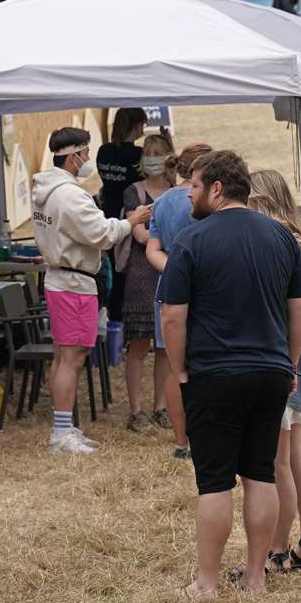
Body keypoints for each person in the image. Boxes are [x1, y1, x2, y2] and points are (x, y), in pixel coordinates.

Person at [159, 151, 301, 599]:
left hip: (214, 374)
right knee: (260, 474)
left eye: (195, 185)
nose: (189, 191)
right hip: (270, 373)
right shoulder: (283, 238)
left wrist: (180, 369)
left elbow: (172, 316)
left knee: (215, 481)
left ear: (217, 189)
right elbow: (299, 308)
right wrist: (290, 362)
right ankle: (255, 577)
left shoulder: (191, 240)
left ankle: (206, 583)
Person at [33, 127, 152, 454]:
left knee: (63, 355)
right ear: (73, 157)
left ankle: (65, 426)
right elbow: (101, 234)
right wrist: (132, 220)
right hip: (74, 282)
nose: (88, 160)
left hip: (61, 279)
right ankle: (61, 432)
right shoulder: (69, 195)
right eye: (85, 153)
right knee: (72, 357)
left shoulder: (46, 187)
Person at [247, 170, 301, 576]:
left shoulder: (270, 245)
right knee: (297, 457)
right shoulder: (299, 242)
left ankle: (276, 549)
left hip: (281, 362)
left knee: (278, 464)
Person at [145, 142, 213, 459]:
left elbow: (152, 250)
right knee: (206, 365)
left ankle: (180, 441)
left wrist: (174, 271)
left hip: (168, 288)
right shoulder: (206, 199)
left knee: (176, 366)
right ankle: (206, 436)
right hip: (205, 287)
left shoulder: (161, 203)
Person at [121, 133, 175, 435]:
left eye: (158, 152)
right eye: (148, 151)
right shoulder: (134, 192)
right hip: (141, 278)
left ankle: (160, 406)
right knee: (139, 345)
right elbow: (140, 235)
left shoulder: (176, 192)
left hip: (167, 276)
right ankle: (136, 410)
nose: (152, 156)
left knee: (166, 348)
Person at [97, 107, 149, 332]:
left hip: (106, 216)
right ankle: (124, 323)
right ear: (136, 126)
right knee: (128, 273)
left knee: (112, 272)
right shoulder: (137, 156)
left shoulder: (104, 151)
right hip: (130, 218)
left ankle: (113, 321)